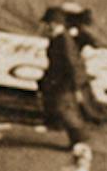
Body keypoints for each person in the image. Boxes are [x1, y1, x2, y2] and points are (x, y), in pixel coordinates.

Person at [38, 8, 98, 143]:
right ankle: (59, 126)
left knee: (65, 108)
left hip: (66, 81)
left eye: (48, 24)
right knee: (57, 105)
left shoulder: (63, 40)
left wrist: (76, 85)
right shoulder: (59, 38)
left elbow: (72, 64)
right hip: (59, 79)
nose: (46, 27)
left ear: (55, 24)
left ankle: (79, 139)